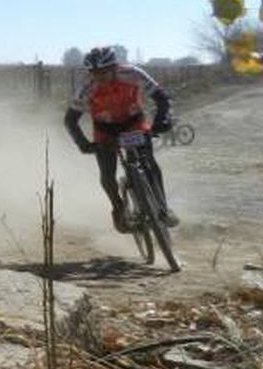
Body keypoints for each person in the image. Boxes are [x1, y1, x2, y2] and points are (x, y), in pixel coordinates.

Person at [64, 46, 179, 233]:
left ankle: (163, 208)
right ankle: (118, 208)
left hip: (134, 124)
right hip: (105, 131)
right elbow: (70, 120)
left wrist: (161, 121)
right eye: (94, 73)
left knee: (149, 163)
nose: (99, 77)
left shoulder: (132, 74)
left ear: (114, 67)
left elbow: (162, 98)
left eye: (103, 72)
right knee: (107, 173)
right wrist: (83, 144)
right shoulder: (86, 87)